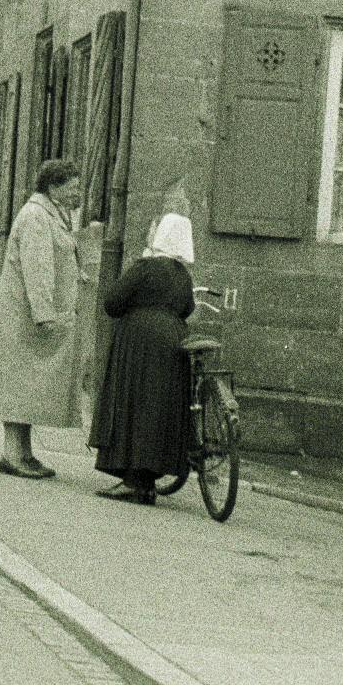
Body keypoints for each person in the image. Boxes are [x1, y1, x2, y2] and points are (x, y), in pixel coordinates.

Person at [90, 199, 201, 505]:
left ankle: (133, 482)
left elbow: (112, 302)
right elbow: (188, 308)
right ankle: (147, 483)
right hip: (173, 342)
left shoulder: (145, 268)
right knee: (158, 410)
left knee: (134, 406)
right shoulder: (182, 275)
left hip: (140, 343)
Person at [0, 158, 87, 478]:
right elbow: (37, 268)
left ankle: (24, 454)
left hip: (30, 318)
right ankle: (12, 456)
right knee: (19, 387)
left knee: (28, 389)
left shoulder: (52, 215)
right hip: (25, 319)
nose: (79, 193)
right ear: (54, 188)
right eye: (73, 187)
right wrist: (45, 315)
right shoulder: (36, 217)